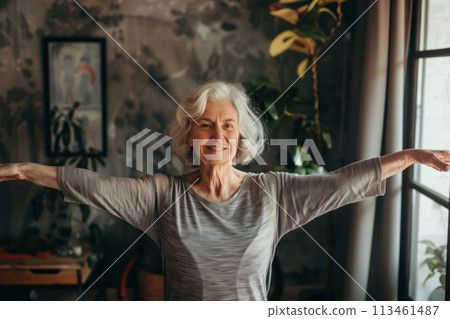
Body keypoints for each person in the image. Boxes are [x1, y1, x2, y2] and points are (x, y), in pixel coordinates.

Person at [1, 82, 449, 301]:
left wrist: (410, 155)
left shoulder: (272, 192)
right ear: (190, 135)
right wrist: (22, 169)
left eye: (228, 125)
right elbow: (89, 185)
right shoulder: (161, 196)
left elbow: (341, 184)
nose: (218, 134)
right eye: (206, 124)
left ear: (240, 138)